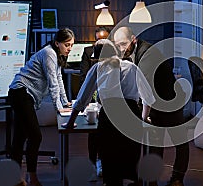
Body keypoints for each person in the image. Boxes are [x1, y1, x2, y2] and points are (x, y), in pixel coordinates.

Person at [61, 39, 155, 186]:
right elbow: (148, 98)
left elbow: (82, 99)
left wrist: (71, 122)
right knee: (130, 162)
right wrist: (143, 118)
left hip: (110, 116)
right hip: (132, 115)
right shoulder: (132, 67)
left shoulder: (98, 67)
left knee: (110, 162)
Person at [113, 26, 189, 186]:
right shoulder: (130, 52)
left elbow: (144, 87)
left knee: (180, 142)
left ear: (133, 39)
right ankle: (150, 181)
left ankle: (177, 179)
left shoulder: (147, 53)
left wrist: (141, 114)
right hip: (155, 101)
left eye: (123, 44)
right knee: (154, 144)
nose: (121, 49)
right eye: (117, 45)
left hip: (171, 101)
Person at [8, 28, 75, 186]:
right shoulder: (49, 53)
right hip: (20, 92)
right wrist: (58, 108)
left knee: (19, 137)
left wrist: (66, 102)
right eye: (67, 45)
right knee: (35, 136)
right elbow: (53, 83)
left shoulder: (56, 54)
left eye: (72, 45)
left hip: (23, 94)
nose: (70, 48)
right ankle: (32, 177)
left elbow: (59, 79)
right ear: (57, 43)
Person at [79, 27, 109, 178]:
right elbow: (84, 75)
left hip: (108, 98)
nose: (101, 41)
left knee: (106, 134)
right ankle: (92, 163)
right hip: (93, 95)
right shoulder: (88, 51)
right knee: (93, 132)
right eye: (98, 39)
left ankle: (104, 163)